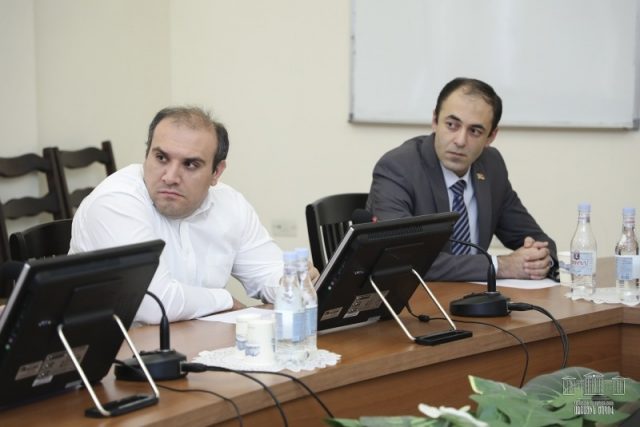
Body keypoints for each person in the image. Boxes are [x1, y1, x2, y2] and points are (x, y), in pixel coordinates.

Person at [70, 106, 304, 324]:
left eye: (190, 164)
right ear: (147, 155)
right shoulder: (116, 201)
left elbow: (269, 272)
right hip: (111, 350)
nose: (170, 177)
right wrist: (226, 301)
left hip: (193, 341)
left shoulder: (229, 203)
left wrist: (295, 281)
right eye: (161, 158)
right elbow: (154, 304)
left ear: (216, 172)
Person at [367, 77, 557, 282]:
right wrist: (500, 266)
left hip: (476, 296)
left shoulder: (491, 166)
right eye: (451, 125)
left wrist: (540, 259)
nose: (460, 141)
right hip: (417, 297)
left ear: (491, 136)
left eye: (474, 131)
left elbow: (536, 238)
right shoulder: (398, 168)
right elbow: (403, 258)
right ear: (435, 120)